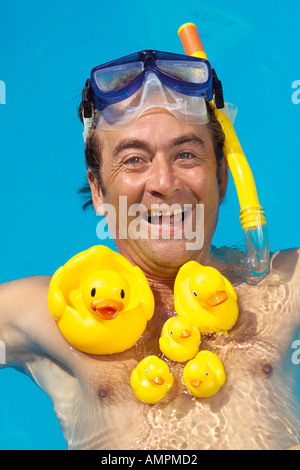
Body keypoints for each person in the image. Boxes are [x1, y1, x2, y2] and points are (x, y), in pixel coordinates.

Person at [0, 47, 300, 451]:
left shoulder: (281, 286)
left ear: (223, 176)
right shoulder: (48, 313)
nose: (164, 181)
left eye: (187, 154)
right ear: (98, 190)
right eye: (135, 159)